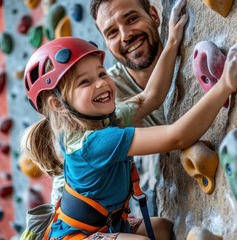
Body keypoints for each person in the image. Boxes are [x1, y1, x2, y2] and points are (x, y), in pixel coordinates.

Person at [21, 4, 237, 240]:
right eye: (84, 82)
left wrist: (171, 42)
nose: (100, 83)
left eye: (100, 73)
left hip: (105, 223)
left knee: (163, 229)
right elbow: (177, 136)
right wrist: (224, 87)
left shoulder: (103, 120)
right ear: (58, 105)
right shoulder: (94, 142)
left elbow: (151, 97)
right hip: (77, 237)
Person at [51, 0, 181, 216]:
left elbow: (152, 96)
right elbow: (67, 169)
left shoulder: (105, 94)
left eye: (132, 19)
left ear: (154, 16)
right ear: (106, 43)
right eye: (112, 33)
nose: (125, 35)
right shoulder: (104, 99)